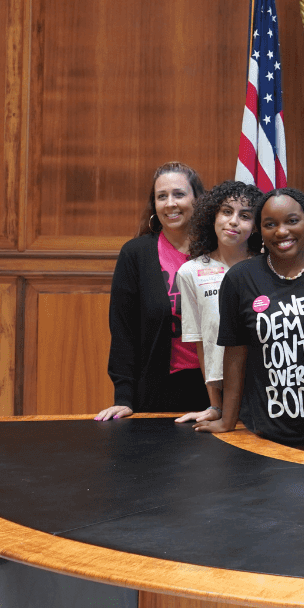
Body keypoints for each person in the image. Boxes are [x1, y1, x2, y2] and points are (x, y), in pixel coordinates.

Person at [194, 188, 304, 454]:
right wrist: (228, 419)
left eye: (292, 221)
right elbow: (235, 355)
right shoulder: (241, 279)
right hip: (266, 434)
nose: (281, 231)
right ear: (259, 232)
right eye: (270, 224)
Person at [96, 162, 209, 420]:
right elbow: (123, 331)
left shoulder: (218, 252)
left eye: (179, 194)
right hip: (155, 395)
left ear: (197, 199)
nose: (170, 203)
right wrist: (124, 397)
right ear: (154, 205)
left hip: (214, 395)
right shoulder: (136, 254)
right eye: (162, 196)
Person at [173, 181, 263, 425]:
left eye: (245, 216)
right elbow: (201, 341)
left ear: (256, 227)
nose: (233, 221)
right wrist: (215, 405)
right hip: (224, 392)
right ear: (212, 216)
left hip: (265, 390)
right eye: (226, 212)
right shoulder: (190, 272)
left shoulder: (266, 267)